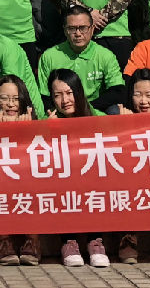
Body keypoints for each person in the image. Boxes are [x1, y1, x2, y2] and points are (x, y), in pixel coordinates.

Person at [43, 68, 109, 268]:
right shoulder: (49, 121)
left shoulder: (98, 117)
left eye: (69, 93)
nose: (65, 100)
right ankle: (68, 241)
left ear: (79, 92)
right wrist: (47, 131)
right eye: (57, 95)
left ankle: (95, 240)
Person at [116, 69, 150, 265]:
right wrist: (123, 125)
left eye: (149, 95)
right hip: (134, 179)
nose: (143, 101)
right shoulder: (122, 116)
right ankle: (128, 238)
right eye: (138, 95)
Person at [0, 76, 38, 266]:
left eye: (16, 98)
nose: (10, 104)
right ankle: (3, 241)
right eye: (4, 98)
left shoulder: (35, 122)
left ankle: (32, 240)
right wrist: (1, 131)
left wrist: (25, 131)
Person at [36, 7, 125, 115]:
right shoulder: (49, 56)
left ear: (92, 29)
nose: (78, 33)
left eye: (83, 28)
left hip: (95, 108)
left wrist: (84, 108)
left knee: (116, 111)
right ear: (65, 30)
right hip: (62, 109)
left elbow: (117, 90)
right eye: (72, 28)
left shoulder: (105, 55)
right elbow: (44, 96)